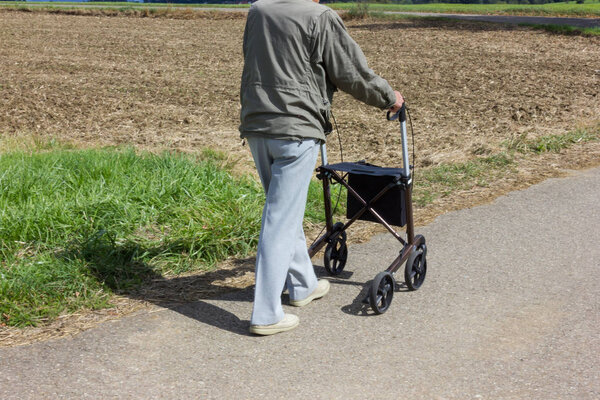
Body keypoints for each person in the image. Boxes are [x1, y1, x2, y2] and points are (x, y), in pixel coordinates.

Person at [240, 0, 404, 335]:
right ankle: (266, 314)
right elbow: (351, 74)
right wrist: (390, 97)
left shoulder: (258, 11)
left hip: (257, 125)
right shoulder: (320, 17)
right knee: (279, 220)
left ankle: (303, 285)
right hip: (296, 129)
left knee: (282, 211)